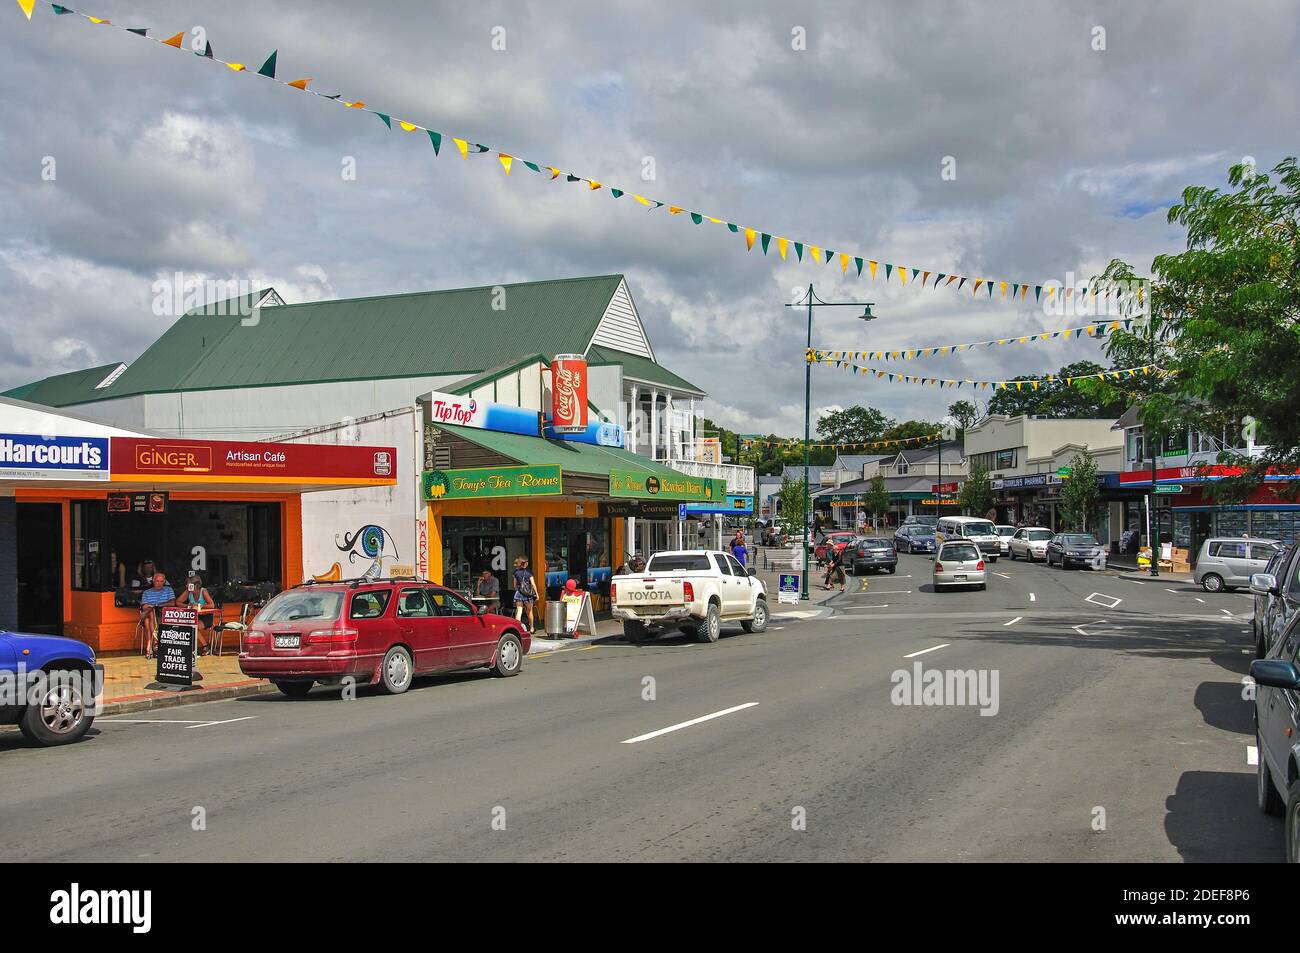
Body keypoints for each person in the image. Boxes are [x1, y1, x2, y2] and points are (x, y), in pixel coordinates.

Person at [174, 573, 215, 657]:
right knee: (187, 625)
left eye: (188, 584)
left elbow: (212, 605)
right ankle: (191, 649)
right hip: (193, 616)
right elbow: (178, 602)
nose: (186, 586)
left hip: (205, 616)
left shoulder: (203, 591)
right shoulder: (188, 591)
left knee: (193, 626)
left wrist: (199, 605)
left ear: (196, 585)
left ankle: (205, 646)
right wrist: (189, 606)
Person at [140, 572, 175, 658]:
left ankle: (150, 647)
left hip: (163, 615)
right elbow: (144, 607)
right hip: (149, 613)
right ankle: (155, 642)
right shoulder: (147, 592)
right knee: (151, 612)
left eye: (161, 581)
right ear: (153, 581)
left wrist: (157, 605)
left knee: (148, 621)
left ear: (164, 582)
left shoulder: (168, 590)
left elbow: (172, 603)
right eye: (157, 581)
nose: (159, 583)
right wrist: (151, 606)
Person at [512, 556, 537, 633]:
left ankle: (517, 628)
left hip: (519, 593)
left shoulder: (516, 572)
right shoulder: (529, 572)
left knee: (519, 611)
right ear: (526, 563)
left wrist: (519, 589)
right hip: (528, 594)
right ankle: (532, 628)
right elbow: (533, 584)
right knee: (529, 611)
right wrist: (536, 593)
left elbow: (514, 585)